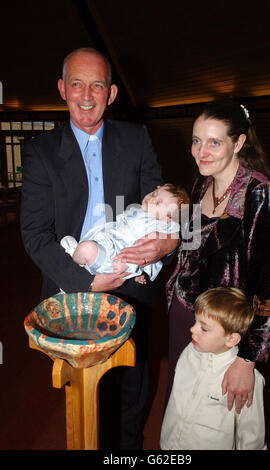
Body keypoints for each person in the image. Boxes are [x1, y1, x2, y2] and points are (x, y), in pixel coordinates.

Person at [20, 47, 178, 449]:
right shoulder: (40, 151)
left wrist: (165, 244)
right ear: (61, 89)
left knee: (131, 383)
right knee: (84, 390)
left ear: (111, 94)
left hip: (130, 277)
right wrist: (86, 283)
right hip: (73, 285)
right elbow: (35, 233)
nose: (86, 95)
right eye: (76, 83)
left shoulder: (136, 138)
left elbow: (166, 211)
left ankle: (126, 451)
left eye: (97, 85)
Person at [164, 99, 270, 414]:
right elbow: (188, 252)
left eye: (214, 142)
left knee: (214, 422)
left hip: (227, 333)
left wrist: (248, 359)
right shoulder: (199, 186)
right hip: (185, 317)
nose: (200, 151)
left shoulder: (262, 196)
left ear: (238, 143)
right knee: (181, 408)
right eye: (196, 140)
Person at [160, 287, 266, 450]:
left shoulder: (246, 380)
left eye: (204, 328)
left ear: (231, 339)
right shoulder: (189, 352)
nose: (192, 329)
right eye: (195, 321)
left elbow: (252, 435)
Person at [60, 184, 189, 284]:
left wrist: (129, 267)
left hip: (116, 258)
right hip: (109, 241)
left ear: (167, 219)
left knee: (86, 248)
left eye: (158, 203)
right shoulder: (140, 211)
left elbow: (141, 251)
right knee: (89, 244)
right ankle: (79, 258)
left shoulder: (156, 228)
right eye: (154, 194)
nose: (151, 199)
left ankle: (75, 256)